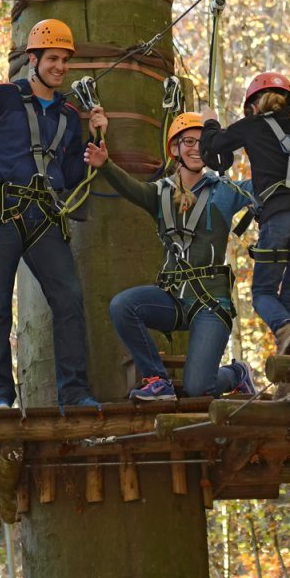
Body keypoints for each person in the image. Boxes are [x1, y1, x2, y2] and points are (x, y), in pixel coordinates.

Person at [0, 19, 106, 410]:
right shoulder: (2, 95)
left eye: (65, 60)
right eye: (53, 58)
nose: (60, 67)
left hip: (45, 216)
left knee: (69, 299)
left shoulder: (68, 115)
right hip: (1, 210)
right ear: (32, 59)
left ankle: (74, 392)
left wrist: (96, 150)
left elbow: (68, 175)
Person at [84, 112, 257, 400]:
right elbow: (132, 189)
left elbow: (264, 185)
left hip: (211, 304)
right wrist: (105, 165)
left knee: (198, 388)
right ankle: (157, 379)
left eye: (202, 142)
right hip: (173, 299)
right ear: (174, 149)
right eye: (188, 141)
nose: (195, 148)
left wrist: (281, 155)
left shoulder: (225, 191)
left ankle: (235, 374)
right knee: (123, 306)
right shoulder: (160, 193)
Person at [200, 73, 290, 403]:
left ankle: (285, 330)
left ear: (253, 106)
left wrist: (209, 123)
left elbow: (212, 150)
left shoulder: (251, 126)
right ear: (289, 104)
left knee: (264, 293)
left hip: (280, 217)